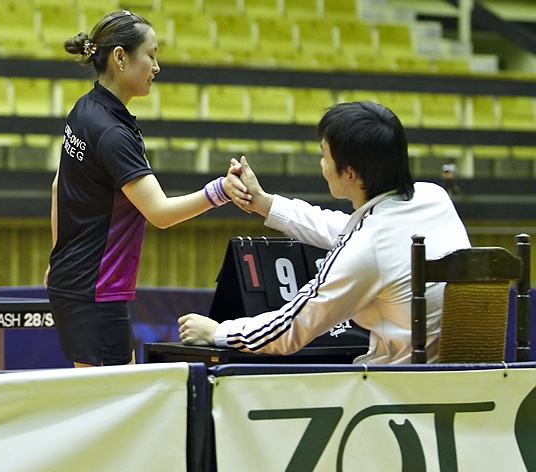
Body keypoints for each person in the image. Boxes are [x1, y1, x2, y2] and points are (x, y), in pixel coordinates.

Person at [178, 101, 471, 364]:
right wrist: (265, 204)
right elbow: (351, 232)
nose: (322, 164)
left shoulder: (366, 248)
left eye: (325, 155)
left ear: (350, 173)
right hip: (463, 379)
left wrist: (219, 331)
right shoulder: (433, 197)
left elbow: (290, 329)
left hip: (397, 389)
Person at [47, 10, 233, 367]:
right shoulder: (112, 133)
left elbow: (59, 186)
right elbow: (160, 213)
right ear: (120, 57)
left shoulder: (84, 108)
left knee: (102, 394)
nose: (156, 67)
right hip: (97, 291)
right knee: (117, 397)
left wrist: (59, 258)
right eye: (151, 55)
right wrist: (221, 191)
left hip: (73, 280)